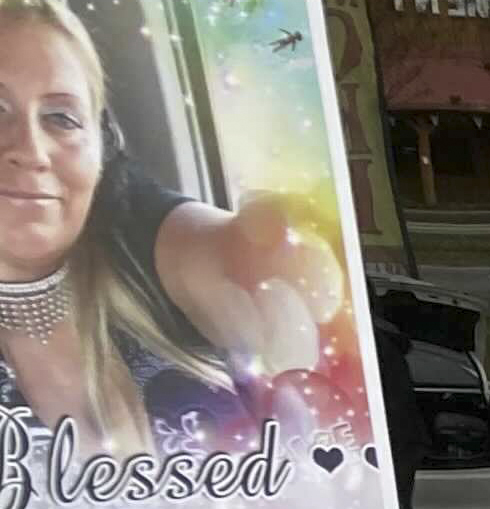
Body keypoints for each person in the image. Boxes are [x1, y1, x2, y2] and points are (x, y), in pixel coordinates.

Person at [0, 0, 342, 470]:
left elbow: (201, 245)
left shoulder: (146, 281)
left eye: (62, 118)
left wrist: (247, 253)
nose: (32, 151)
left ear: (101, 149)